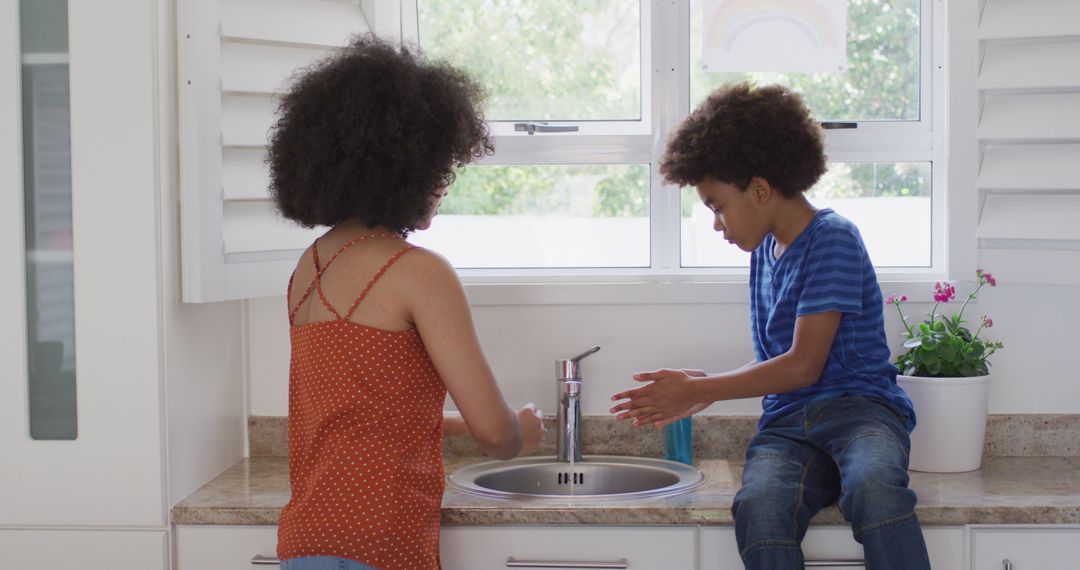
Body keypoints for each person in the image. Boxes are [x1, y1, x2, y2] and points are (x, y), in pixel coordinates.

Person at [609, 82, 930, 570]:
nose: (717, 223)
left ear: (760, 189)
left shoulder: (833, 239)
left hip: (861, 413)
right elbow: (782, 363)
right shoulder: (764, 251)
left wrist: (712, 388)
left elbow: (804, 365)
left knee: (875, 487)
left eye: (718, 205)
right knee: (758, 507)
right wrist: (703, 386)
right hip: (788, 425)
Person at [268, 35, 544, 570]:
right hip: (381, 543)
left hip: (305, 542)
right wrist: (519, 431)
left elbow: (364, 417)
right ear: (401, 165)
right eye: (440, 164)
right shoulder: (417, 271)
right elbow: (495, 433)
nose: (444, 182)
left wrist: (461, 426)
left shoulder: (309, 266)